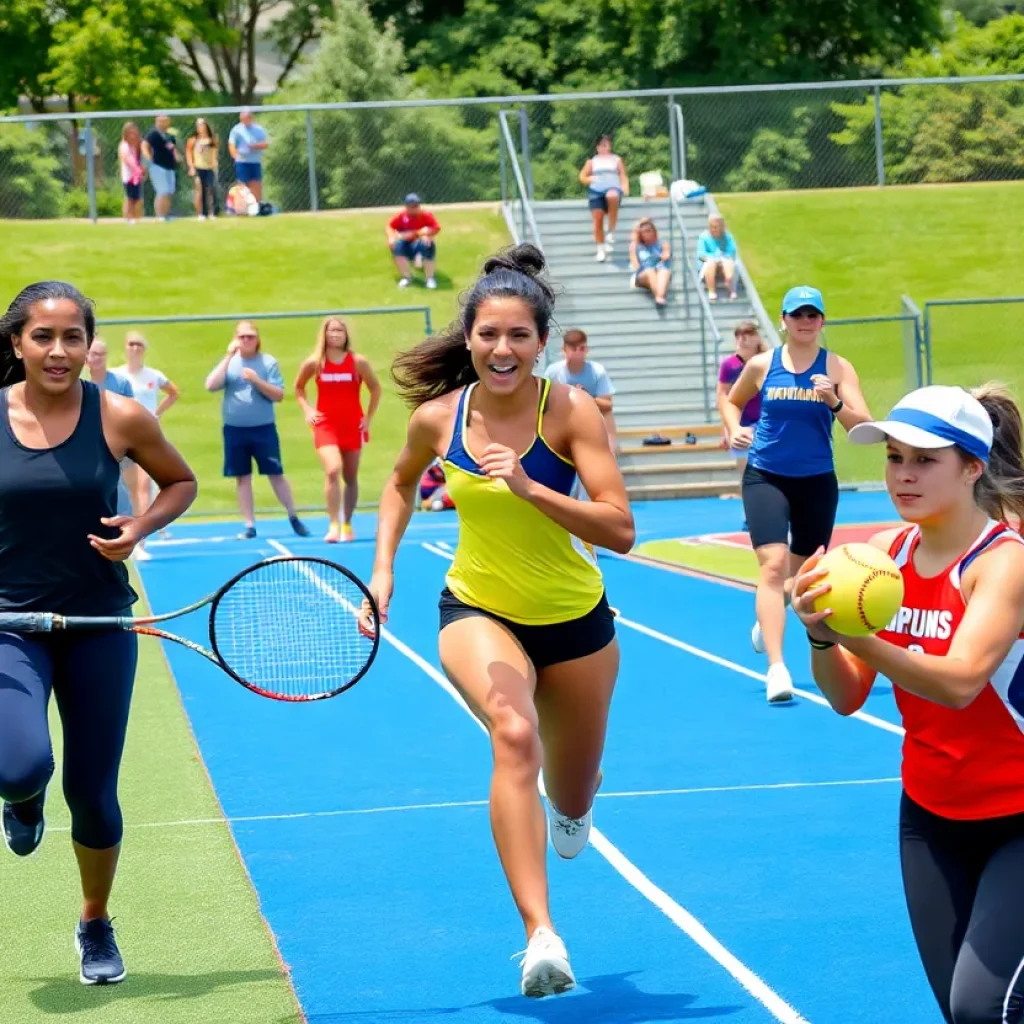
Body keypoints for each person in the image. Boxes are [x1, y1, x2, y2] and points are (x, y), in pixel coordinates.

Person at [364, 244, 634, 998]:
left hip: (576, 619)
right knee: (513, 736)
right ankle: (540, 935)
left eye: (518, 336)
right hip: (477, 608)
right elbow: (394, 486)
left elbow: (619, 528)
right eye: (488, 334)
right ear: (469, 337)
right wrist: (383, 569)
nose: (502, 349)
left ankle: (576, 797)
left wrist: (528, 487)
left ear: (542, 343)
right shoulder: (437, 418)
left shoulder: (569, 410)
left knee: (572, 795)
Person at [792, 383, 1024, 1024]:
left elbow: (959, 682)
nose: (904, 474)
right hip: (930, 817)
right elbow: (845, 696)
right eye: (894, 457)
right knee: (962, 1011)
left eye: (925, 459)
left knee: (982, 1006)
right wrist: (818, 634)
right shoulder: (883, 559)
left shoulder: (1001, 564)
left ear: (973, 467)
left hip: (1018, 815)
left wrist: (855, 635)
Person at [0, 281, 197, 985]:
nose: (58, 351)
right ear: (17, 343)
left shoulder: (120, 416)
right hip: (8, 630)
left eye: (72, 338)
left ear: (89, 344)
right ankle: (20, 805)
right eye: (43, 337)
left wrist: (140, 526)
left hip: (98, 624)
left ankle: (94, 921)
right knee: (18, 767)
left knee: (91, 791)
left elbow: (180, 482)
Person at [722, 286, 871, 703]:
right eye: (797, 314)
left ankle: (771, 610)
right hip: (766, 476)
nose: (805, 322)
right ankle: (777, 668)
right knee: (772, 566)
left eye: (813, 315)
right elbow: (731, 401)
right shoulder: (762, 364)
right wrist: (734, 428)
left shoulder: (838, 367)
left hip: (816, 481)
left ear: (822, 321)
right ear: (784, 320)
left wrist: (835, 402)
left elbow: (863, 427)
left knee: (802, 577)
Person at [205, 320, 309, 540]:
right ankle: (250, 525)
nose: (246, 341)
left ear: (257, 339)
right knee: (242, 477)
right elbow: (211, 385)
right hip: (235, 430)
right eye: (242, 337)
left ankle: (293, 516)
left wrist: (256, 380)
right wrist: (227, 357)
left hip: (263, 429)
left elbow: (278, 394)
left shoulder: (267, 362)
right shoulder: (231, 363)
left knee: (275, 473)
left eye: (250, 337)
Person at [294, 318, 381, 542]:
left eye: (339, 330)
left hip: (352, 424)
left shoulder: (358, 362)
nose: (335, 334)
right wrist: (307, 411)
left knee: (350, 476)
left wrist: (368, 418)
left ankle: (347, 523)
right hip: (326, 424)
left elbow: (375, 388)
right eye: (331, 330)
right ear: (324, 334)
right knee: (333, 469)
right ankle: (333, 524)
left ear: (346, 335)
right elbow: (299, 388)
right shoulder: (315, 363)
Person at [113, 332, 178, 557]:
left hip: (147, 437)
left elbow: (173, 392)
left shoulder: (153, 375)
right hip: (123, 435)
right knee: (126, 486)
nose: (134, 348)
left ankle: (140, 541)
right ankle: (127, 529)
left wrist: (156, 414)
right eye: (131, 344)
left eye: (138, 344)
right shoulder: (118, 375)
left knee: (144, 486)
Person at [716, 321, 768, 502]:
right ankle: (751, 511)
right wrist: (728, 427)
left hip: (765, 422)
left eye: (747, 335)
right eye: (738, 336)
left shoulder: (767, 361)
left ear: (757, 338)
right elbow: (722, 395)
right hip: (741, 423)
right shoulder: (729, 365)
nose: (742, 340)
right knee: (746, 470)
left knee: (769, 468)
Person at [544, 329, 617, 451]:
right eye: (573, 349)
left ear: (587, 350)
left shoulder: (597, 371)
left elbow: (608, 405)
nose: (578, 353)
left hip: (591, 422)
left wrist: (586, 397)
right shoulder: (553, 372)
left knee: (608, 415)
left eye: (582, 349)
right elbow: (541, 400)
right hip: (563, 421)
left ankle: (608, 452)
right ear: (564, 350)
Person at [85, 338, 135, 517]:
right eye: (94, 354)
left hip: (116, 447)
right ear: (86, 356)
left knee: (122, 488)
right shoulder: (76, 383)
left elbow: (130, 414)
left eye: (101, 354)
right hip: (86, 446)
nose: (97, 358)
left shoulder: (120, 384)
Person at [578, 135, 629, 263]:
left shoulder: (616, 160)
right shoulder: (592, 161)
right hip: (596, 190)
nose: (605, 147)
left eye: (607, 144)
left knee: (612, 196)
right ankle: (600, 248)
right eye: (602, 145)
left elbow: (623, 175)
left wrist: (625, 187)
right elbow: (582, 176)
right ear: (597, 147)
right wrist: (589, 179)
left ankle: (611, 230)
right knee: (597, 219)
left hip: (612, 188)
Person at [386, 194, 440, 289]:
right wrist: (391, 237)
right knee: (397, 246)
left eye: (417, 205)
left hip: (420, 241)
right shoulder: (401, 216)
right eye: (412, 206)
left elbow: (436, 228)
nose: (415, 208)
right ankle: (406, 277)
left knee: (428, 244)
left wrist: (425, 234)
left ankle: (430, 279)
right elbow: (390, 226)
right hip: (406, 242)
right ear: (406, 207)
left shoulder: (425, 215)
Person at [141, 114, 180, 221]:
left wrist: (177, 157)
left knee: (169, 192)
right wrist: (149, 159)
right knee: (162, 191)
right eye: (160, 121)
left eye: (165, 121)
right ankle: (160, 216)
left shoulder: (169, 136)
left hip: (170, 167)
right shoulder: (153, 134)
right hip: (158, 166)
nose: (163, 124)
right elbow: (144, 145)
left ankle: (166, 215)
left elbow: (173, 149)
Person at [228, 107, 269, 203]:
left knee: (256, 184)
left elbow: (265, 144)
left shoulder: (259, 129)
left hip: (255, 161)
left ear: (251, 118)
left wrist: (255, 146)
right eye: (242, 118)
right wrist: (235, 157)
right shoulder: (236, 130)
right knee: (242, 185)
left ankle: (257, 207)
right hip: (242, 162)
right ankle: (241, 207)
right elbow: (231, 145)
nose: (244, 120)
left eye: (247, 117)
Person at [628, 217, 671, 306]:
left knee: (665, 271)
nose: (646, 233)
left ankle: (659, 297)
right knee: (650, 271)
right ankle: (659, 296)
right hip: (642, 274)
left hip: (659, 271)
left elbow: (666, 256)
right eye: (643, 231)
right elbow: (636, 265)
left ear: (654, 231)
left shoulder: (663, 244)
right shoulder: (635, 246)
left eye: (648, 230)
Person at [696, 214, 738, 302]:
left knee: (727, 262)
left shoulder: (727, 237)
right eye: (712, 227)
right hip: (708, 264)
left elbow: (731, 252)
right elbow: (700, 254)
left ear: (722, 227)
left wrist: (721, 259)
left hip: (723, 263)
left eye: (717, 227)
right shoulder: (703, 237)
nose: (714, 229)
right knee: (711, 263)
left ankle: (730, 287)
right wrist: (714, 258)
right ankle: (711, 291)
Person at [186, 117, 219, 221]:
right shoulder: (193, 140)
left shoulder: (212, 140)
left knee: (211, 188)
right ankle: (202, 213)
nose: (201, 127)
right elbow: (189, 154)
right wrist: (191, 167)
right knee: (201, 190)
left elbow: (214, 152)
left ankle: (213, 212)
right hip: (198, 167)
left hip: (210, 167)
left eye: (202, 124)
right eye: (198, 125)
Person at [117, 122, 144, 224]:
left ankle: (135, 218)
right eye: (130, 133)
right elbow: (127, 159)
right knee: (130, 198)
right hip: (129, 176)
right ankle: (128, 218)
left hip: (135, 176)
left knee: (136, 198)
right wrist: (137, 170)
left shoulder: (133, 146)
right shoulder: (124, 146)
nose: (133, 135)